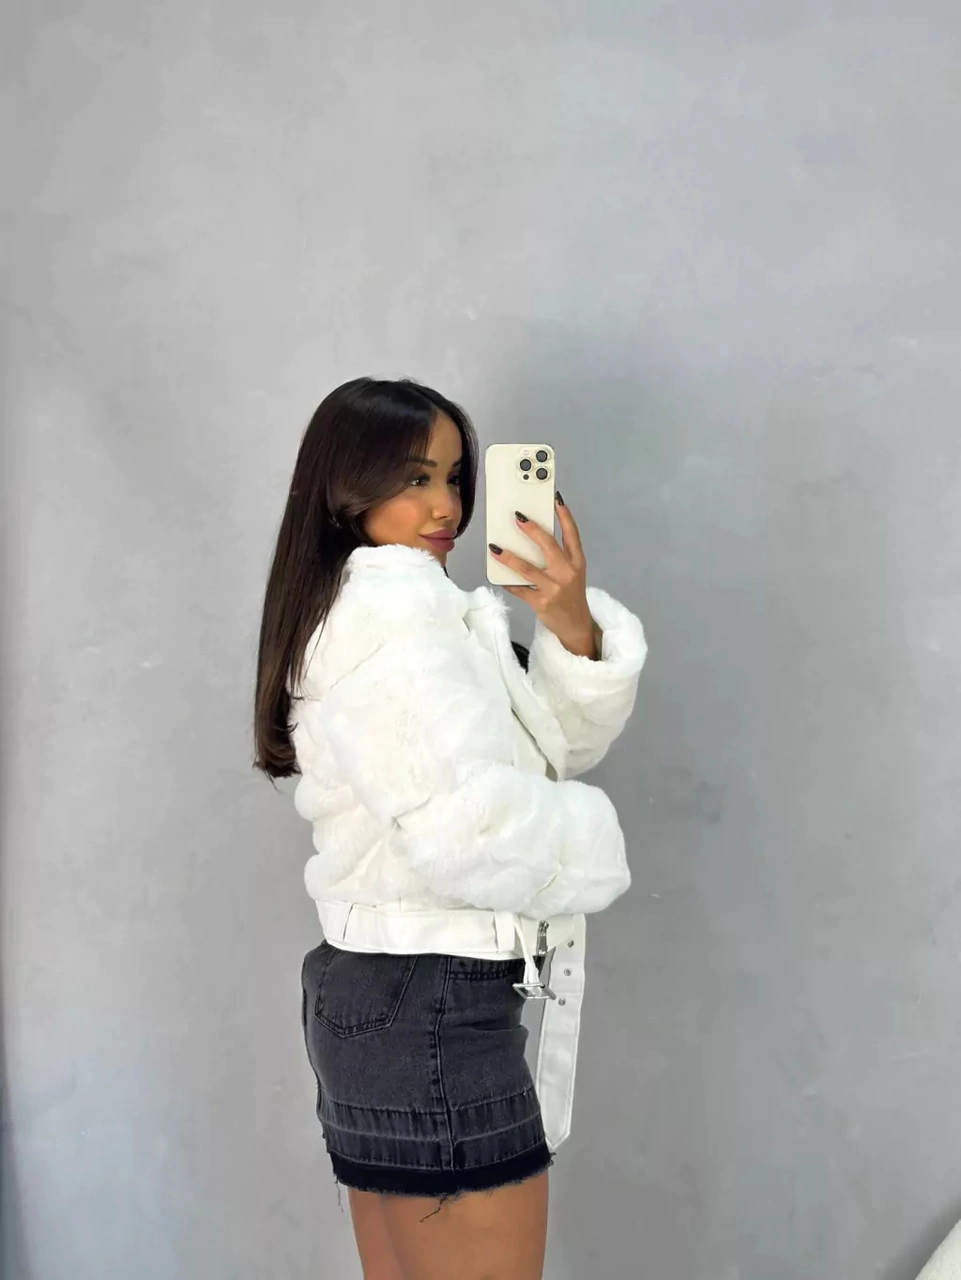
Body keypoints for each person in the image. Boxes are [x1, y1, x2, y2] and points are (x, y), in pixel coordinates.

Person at [253, 376, 647, 1280]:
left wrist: (569, 625)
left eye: (454, 477)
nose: (447, 508)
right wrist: (596, 840)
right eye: (414, 478)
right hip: (430, 999)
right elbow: (469, 826)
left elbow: (539, 754)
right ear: (345, 486)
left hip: (380, 994)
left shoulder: (393, 610)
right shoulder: (393, 612)